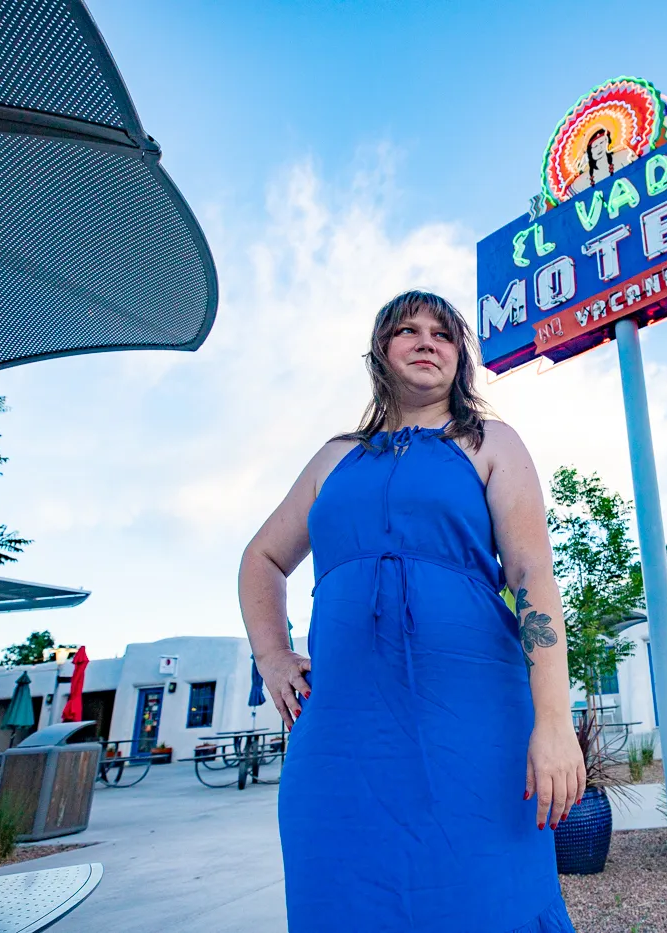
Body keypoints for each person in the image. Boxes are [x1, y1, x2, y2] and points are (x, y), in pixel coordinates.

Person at [238, 290, 583, 932]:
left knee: (486, 897)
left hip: (474, 727)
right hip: (342, 734)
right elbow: (262, 558)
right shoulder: (335, 457)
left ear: (460, 358)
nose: (427, 341)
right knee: (341, 894)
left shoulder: (491, 443)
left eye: (443, 334)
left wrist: (554, 722)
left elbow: (534, 575)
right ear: (380, 352)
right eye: (408, 330)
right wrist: (272, 654)